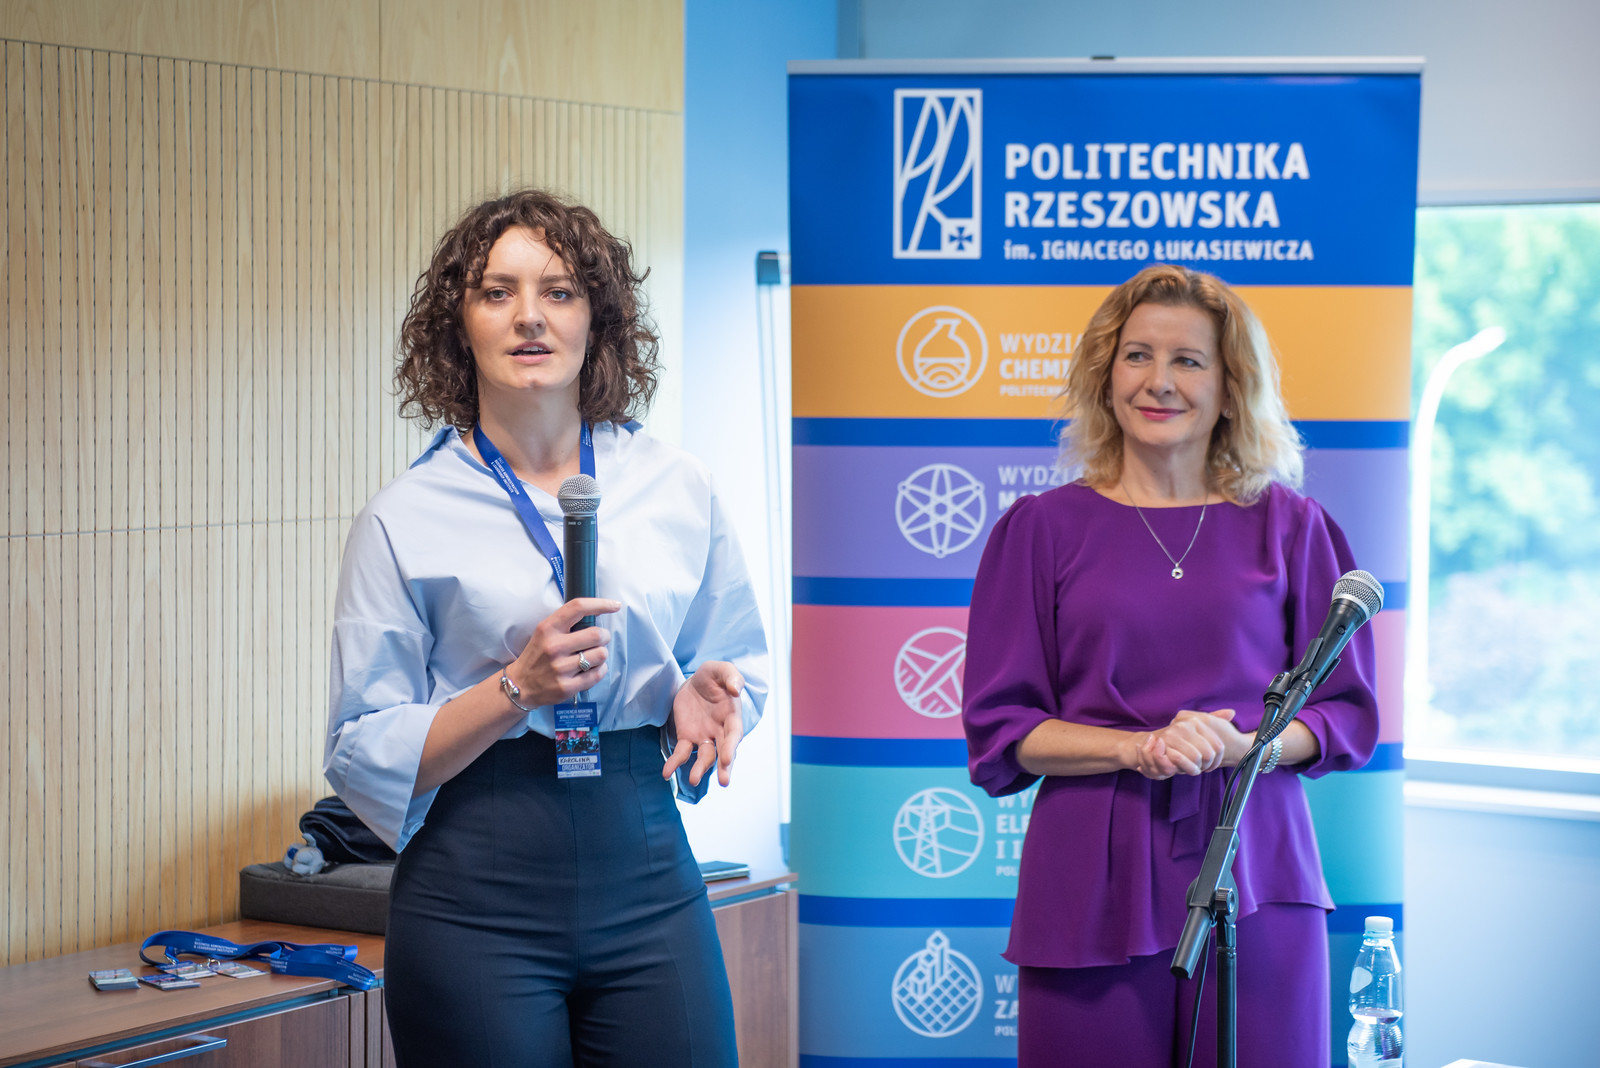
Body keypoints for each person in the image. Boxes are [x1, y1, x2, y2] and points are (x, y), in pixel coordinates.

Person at [323, 189, 766, 1067]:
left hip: (646, 865)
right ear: (459, 325)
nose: (530, 316)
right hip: (475, 889)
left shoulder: (676, 484)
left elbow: (730, 661)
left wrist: (706, 699)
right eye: (498, 292)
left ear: (597, 317)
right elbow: (360, 745)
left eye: (559, 291)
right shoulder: (404, 515)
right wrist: (516, 689)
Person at [960, 264, 1379, 1068]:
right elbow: (1003, 730)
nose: (1159, 381)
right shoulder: (1039, 530)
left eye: (1188, 360)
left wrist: (1245, 746)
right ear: (1105, 375)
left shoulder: (1293, 527)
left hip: (1258, 860)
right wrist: (1137, 747)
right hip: (1089, 874)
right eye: (1137, 356)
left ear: (1230, 386)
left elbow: (1345, 716)